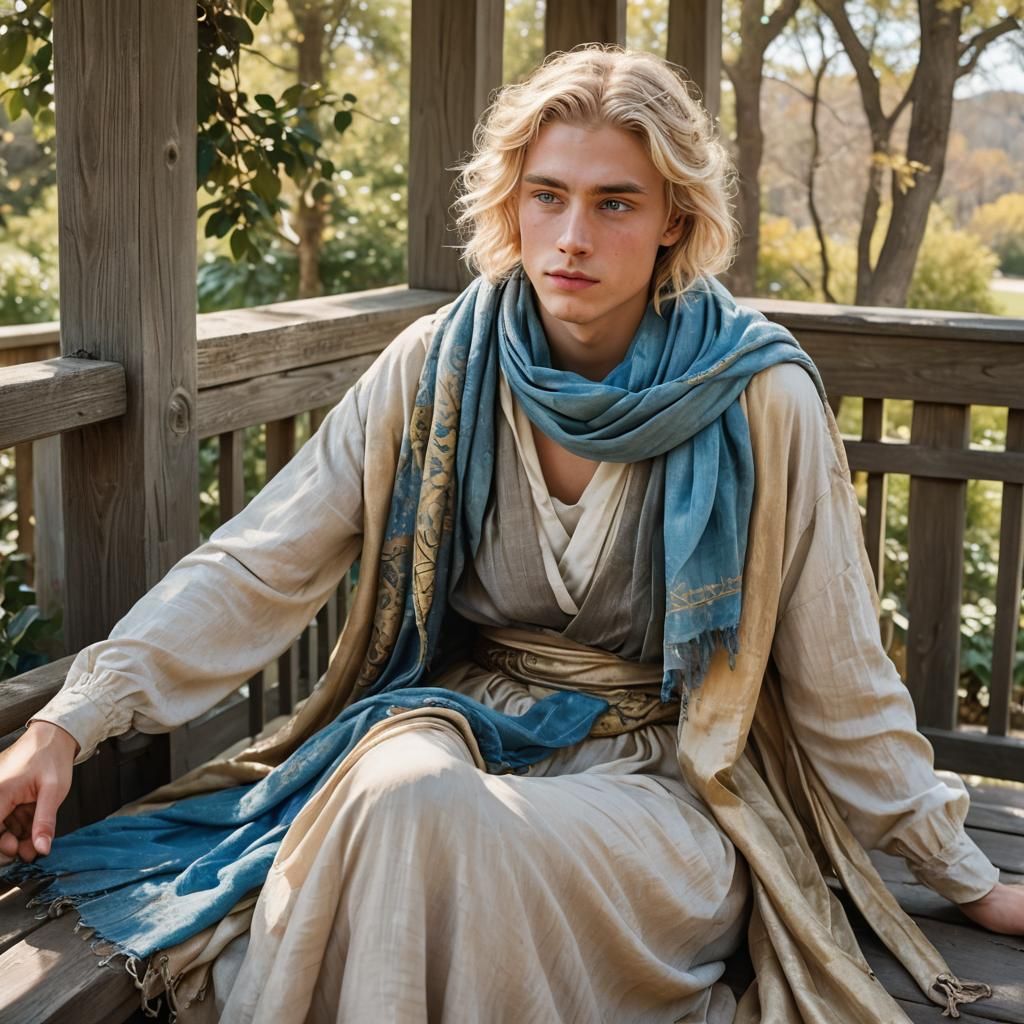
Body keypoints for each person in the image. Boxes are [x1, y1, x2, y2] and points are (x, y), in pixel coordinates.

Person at [1, 45, 1022, 1024]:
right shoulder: (436, 366)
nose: (571, 236)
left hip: (664, 779)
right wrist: (69, 721)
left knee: (433, 840)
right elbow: (259, 561)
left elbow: (843, 675)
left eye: (614, 202)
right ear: (512, 202)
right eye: (547, 195)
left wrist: (966, 878)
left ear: (673, 218)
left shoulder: (759, 398)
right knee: (401, 796)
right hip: (461, 726)